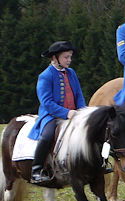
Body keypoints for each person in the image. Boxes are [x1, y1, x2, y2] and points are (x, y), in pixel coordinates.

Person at [30, 41, 86, 185]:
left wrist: (82, 112)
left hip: (75, 114)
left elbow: (79, 95)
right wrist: (67, 113)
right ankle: (36, 169)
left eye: (70, 57)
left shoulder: (71, 73)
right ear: (55, 58)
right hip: (51, 116)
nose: (69, 60)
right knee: (47, 136)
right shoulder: (45, 76)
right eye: (66, 57)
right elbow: (47, 103)